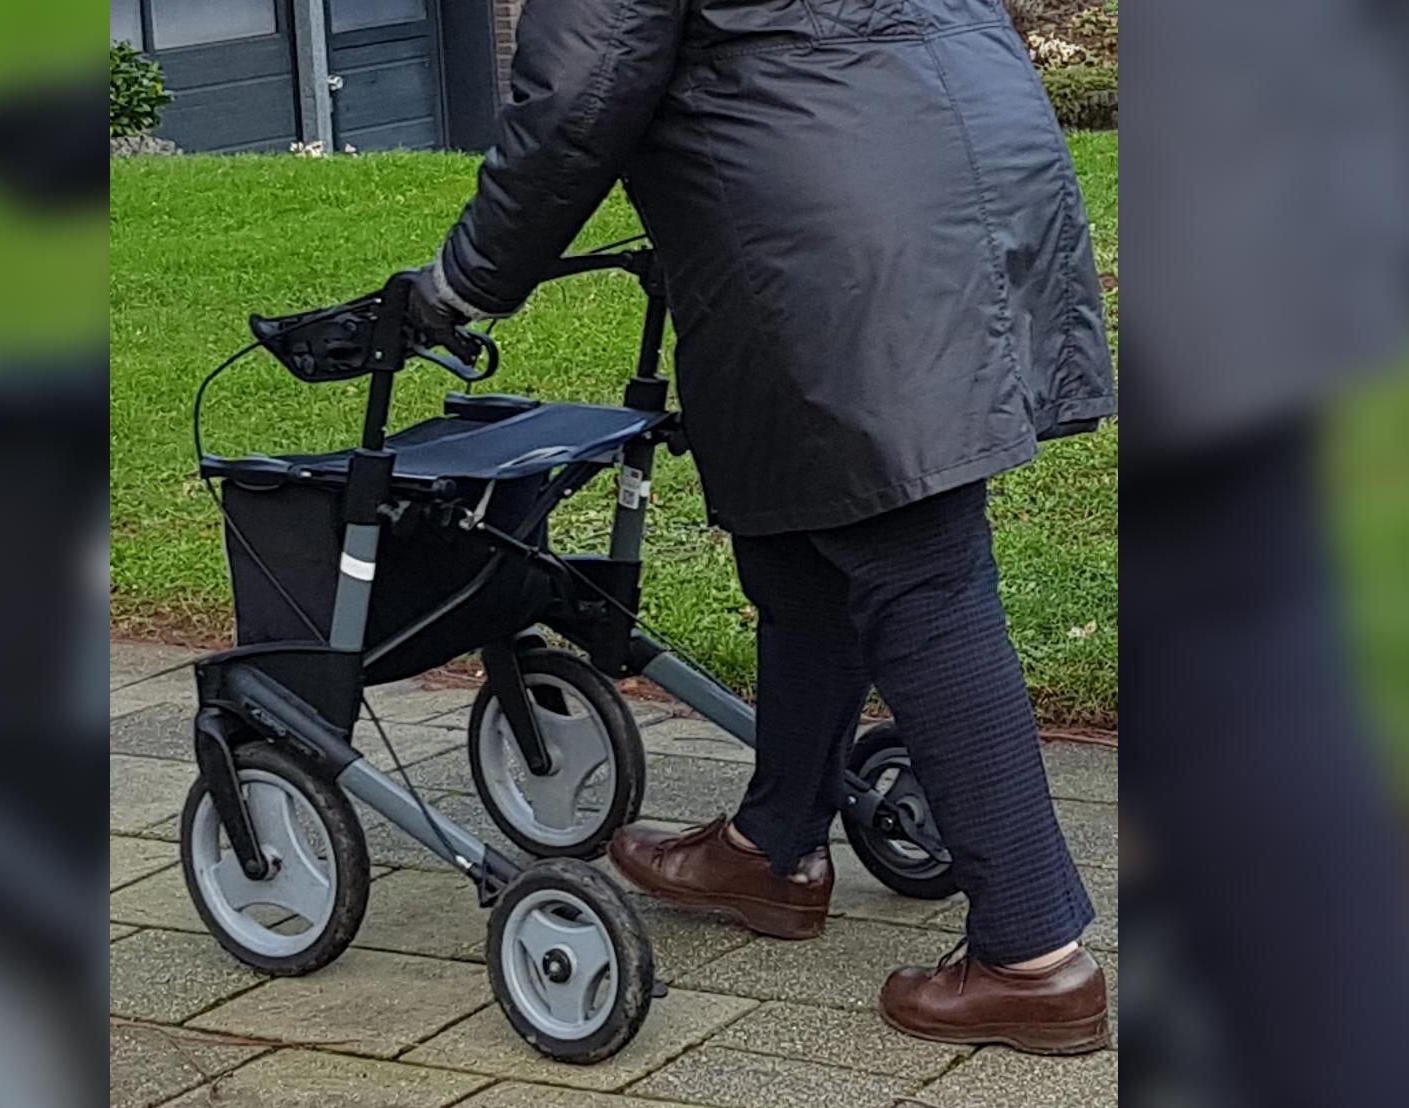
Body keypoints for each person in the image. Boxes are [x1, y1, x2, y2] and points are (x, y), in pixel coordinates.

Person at [411, 0, 1115, 1054]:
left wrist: (459, 285)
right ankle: (774, 847)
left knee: (916, 556)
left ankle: (1034, 956)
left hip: (841, 198)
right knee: (799, 528)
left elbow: (580, 93)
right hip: (965, 151)